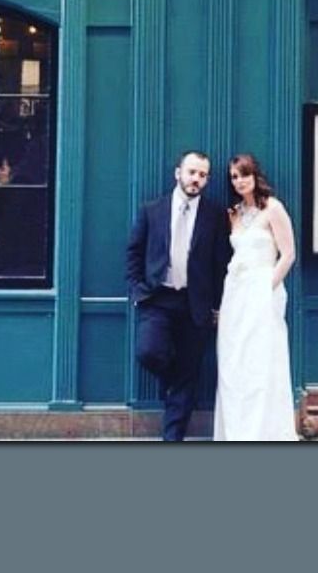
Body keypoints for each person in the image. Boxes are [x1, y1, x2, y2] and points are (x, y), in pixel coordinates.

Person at [126, 150, 232, 442]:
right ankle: (173, 384)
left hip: (195, 304)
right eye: (191, 172)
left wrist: (218, 305)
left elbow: (221, 263)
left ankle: (172, 441)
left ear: (207, 180)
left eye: (202, 175)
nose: (196, 179)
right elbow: (134, 252)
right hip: (157, 299)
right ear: (178, 173)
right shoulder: (152, 210)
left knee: (189, 372)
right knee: (149, 352)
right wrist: (137, 290)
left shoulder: (215, 215)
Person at [213, 152, 300, 441]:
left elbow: (288, 254)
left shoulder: (273, 208)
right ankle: (237, 432)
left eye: (244, 174)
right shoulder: (234, 213)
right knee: (234, 361)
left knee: (261, 360)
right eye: (234, 177)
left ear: (255, 175)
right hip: (235, 291)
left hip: (263, 289)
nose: (239, 181)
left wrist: (267, 287)